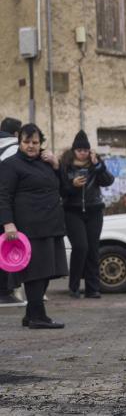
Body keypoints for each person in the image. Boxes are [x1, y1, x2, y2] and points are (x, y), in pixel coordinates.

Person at [0, 124, 68, 328]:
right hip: (28, 228)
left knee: (47, 271)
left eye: (35, 142)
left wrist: (57, 165)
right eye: (26, 142)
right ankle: (38, 316)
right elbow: (3, 196)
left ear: (41, 143)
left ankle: (31, 315)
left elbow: (66, 189)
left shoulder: (47, 163)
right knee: (35, 273)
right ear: (19, 142)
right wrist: (8, 223)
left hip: (51, 225)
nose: (31, 146)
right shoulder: (10, 164)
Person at [59, 130, 114, 299]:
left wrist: (98, 166)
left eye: (85, 150)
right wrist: (72, 184)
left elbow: (108, 181)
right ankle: (74, 286)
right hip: (72, 211)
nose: (82, 153)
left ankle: (93, 288)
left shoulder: (94, 165)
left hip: (94, 210)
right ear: (73, 151)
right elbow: (61, 190)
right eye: (79, 150)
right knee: (80, 247)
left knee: (93, 249)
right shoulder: (65, 166)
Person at [0, 116, 25, 308]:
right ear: (17, 134)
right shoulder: (15, 149)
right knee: (6, 247)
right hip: (8, 204)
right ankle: (5, 291)